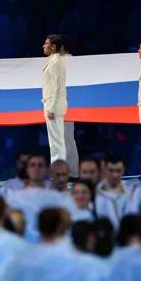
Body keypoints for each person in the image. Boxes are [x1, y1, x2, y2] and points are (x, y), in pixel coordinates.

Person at [42, 35, 68, 164]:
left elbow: (58, 88)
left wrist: (51, 108)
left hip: (54, 107)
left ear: (53, 47)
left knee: (57, 142)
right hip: (52, 105)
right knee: (55, 142)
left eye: (46, 43)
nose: (43, 46)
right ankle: (58, 171)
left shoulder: (56, 63)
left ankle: (59, 172)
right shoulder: (53, 62)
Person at [59, 34, 79, 179]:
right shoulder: (55, 61)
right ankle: (62, 171)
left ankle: (73, 172)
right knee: (58, 140)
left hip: (67, 105)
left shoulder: (70, 61)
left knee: (67, 139)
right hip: (56, 104)